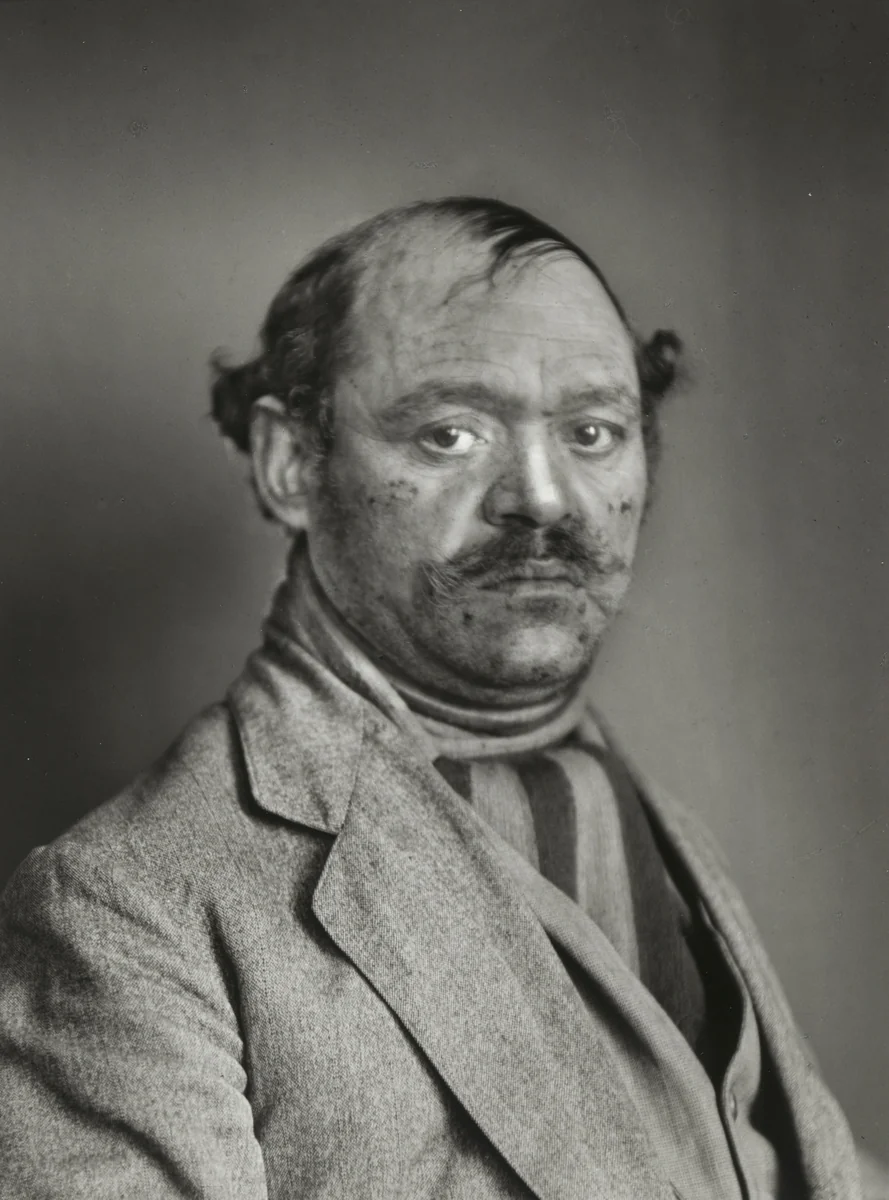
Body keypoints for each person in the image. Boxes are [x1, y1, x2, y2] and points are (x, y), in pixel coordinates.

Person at [0, 197, 884, 1199]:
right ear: (291, 464)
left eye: (593, 431)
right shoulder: (124, 912)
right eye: (451, 435)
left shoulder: (644, 818)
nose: (544, 498)